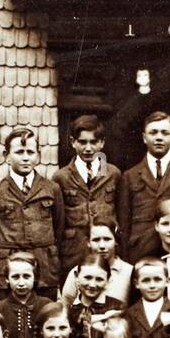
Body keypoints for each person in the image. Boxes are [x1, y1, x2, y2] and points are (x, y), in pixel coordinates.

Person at [0, 126, 66, 299]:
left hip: (45, 270)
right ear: (6, 156)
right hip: (9, 270)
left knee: (46, 315)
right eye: (19, 152)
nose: (25, 157)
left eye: (30, 152)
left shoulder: (52, 189)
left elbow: (59, 229)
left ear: (38, 155)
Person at [116, 111, 170, 261]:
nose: (159, 137)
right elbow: (124, 224)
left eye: (165, 133)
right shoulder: (129, 176)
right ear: (144, 137)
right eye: (153, 132)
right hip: (140, 252)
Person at [53, 115, 121, 273]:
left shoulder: (113, 173)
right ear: (73, 142)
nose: (88, 148)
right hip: (74, 254)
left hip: (106, 252)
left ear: (102, 143)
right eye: (82, 142)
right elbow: (58, 224)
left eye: (94, 142)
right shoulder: (61, 177)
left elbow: (121, 215)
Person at [61, 215, 133, 305]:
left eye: (107, 239)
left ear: (116, 241)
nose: (102, 246)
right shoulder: (77, 272)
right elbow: (65, 307)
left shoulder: (129, 272)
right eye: (96, 240)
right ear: (88, 243)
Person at [67, 254, 125, 338]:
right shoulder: (67, 310)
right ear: (77, 277)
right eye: (87, 278)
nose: (93, 285)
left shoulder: (118, 308)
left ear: (108, 280)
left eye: (99, 279)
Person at [0, 251, 43, 338]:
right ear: (7, 279)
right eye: (15, 277)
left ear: (35, 277)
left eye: (26, 276)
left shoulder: (46, 306)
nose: (21, 283)